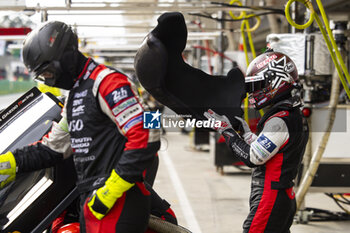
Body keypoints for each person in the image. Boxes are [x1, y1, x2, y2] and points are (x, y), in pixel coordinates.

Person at [0, 21, 175, 233]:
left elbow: (146, 135)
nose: (50, 80)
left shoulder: (108, 82)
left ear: (66, 56)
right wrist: (8, 162)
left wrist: (110, 191)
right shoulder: (74, 97)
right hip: (92, 200)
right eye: (43, 77)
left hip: (118, 199)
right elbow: (52, 149)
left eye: (48, 73)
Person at [204, 51, 309, 233]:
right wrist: (245, 133)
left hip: (271, 197)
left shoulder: (280, 120)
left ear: (277, 81)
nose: (254, 92)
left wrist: (226, 130)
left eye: (258, 85)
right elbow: (269, 149)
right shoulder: (291, 113)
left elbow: (253, 157)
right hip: (282, 194)